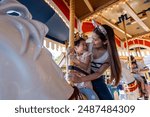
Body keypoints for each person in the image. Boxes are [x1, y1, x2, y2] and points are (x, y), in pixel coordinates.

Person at [70, 22, 122, 100]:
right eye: (92, 37)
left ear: (105, 41)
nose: (91, 41)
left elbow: (98, 73)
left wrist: (80, 79)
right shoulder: (87, 45)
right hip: (81, 71)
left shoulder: (108, 56)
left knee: (107, 99)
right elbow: (76, 50)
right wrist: (71, 50)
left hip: (95, 77)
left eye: (95, 39)